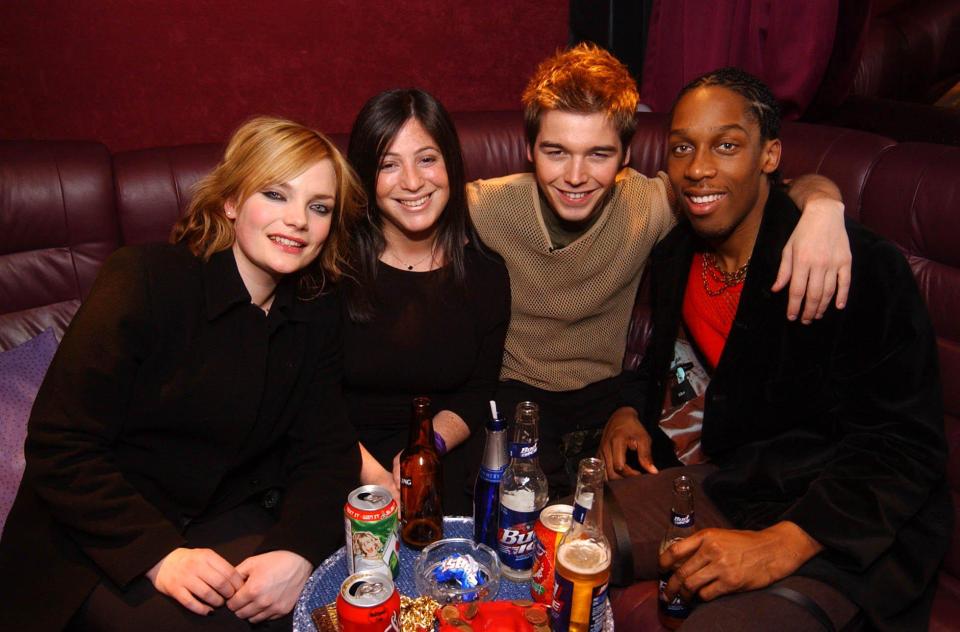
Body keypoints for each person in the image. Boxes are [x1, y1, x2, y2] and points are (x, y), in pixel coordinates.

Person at [599, 68, 949, 630]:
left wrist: (780, 545)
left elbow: (904, 448)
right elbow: (662, 362)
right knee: (568, 536)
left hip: (843, 519)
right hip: (743, 483)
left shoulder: (854, 266)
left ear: (770, 155)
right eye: (683, 147)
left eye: (728, 145)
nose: (699, 168)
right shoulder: (676, 253)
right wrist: (626, 409)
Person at [0, 117, 365, 631]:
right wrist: (160, 556)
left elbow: (326, 451)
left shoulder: (316, 310)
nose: (299, 221)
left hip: (221, 517)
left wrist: (297, 550)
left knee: (336, 608)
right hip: (101, 536)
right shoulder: (144, 281)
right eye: (275, 194)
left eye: (319, 206)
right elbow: (60, 446)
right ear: (231, 202)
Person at [467, 43, 853, 498]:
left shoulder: (649, 203)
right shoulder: (487, 206)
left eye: (598, 154)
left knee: (616, 528)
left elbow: (767, 187)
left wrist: (826, 205)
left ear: (626, 155)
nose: (575, 176)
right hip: (514, 395)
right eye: (556, 151)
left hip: (606, 402)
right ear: (530, 150)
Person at [343, 88, 510, 515]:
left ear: (450, 163)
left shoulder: (486, 274)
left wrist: (425, 448)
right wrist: (377, 479)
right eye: (388, 165)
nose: (413, 182)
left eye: (427, 159)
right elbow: (310, 402)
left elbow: (478, 392)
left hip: (442, 449)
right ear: (365, 176)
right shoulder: (332, 270)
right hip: (344, 453)